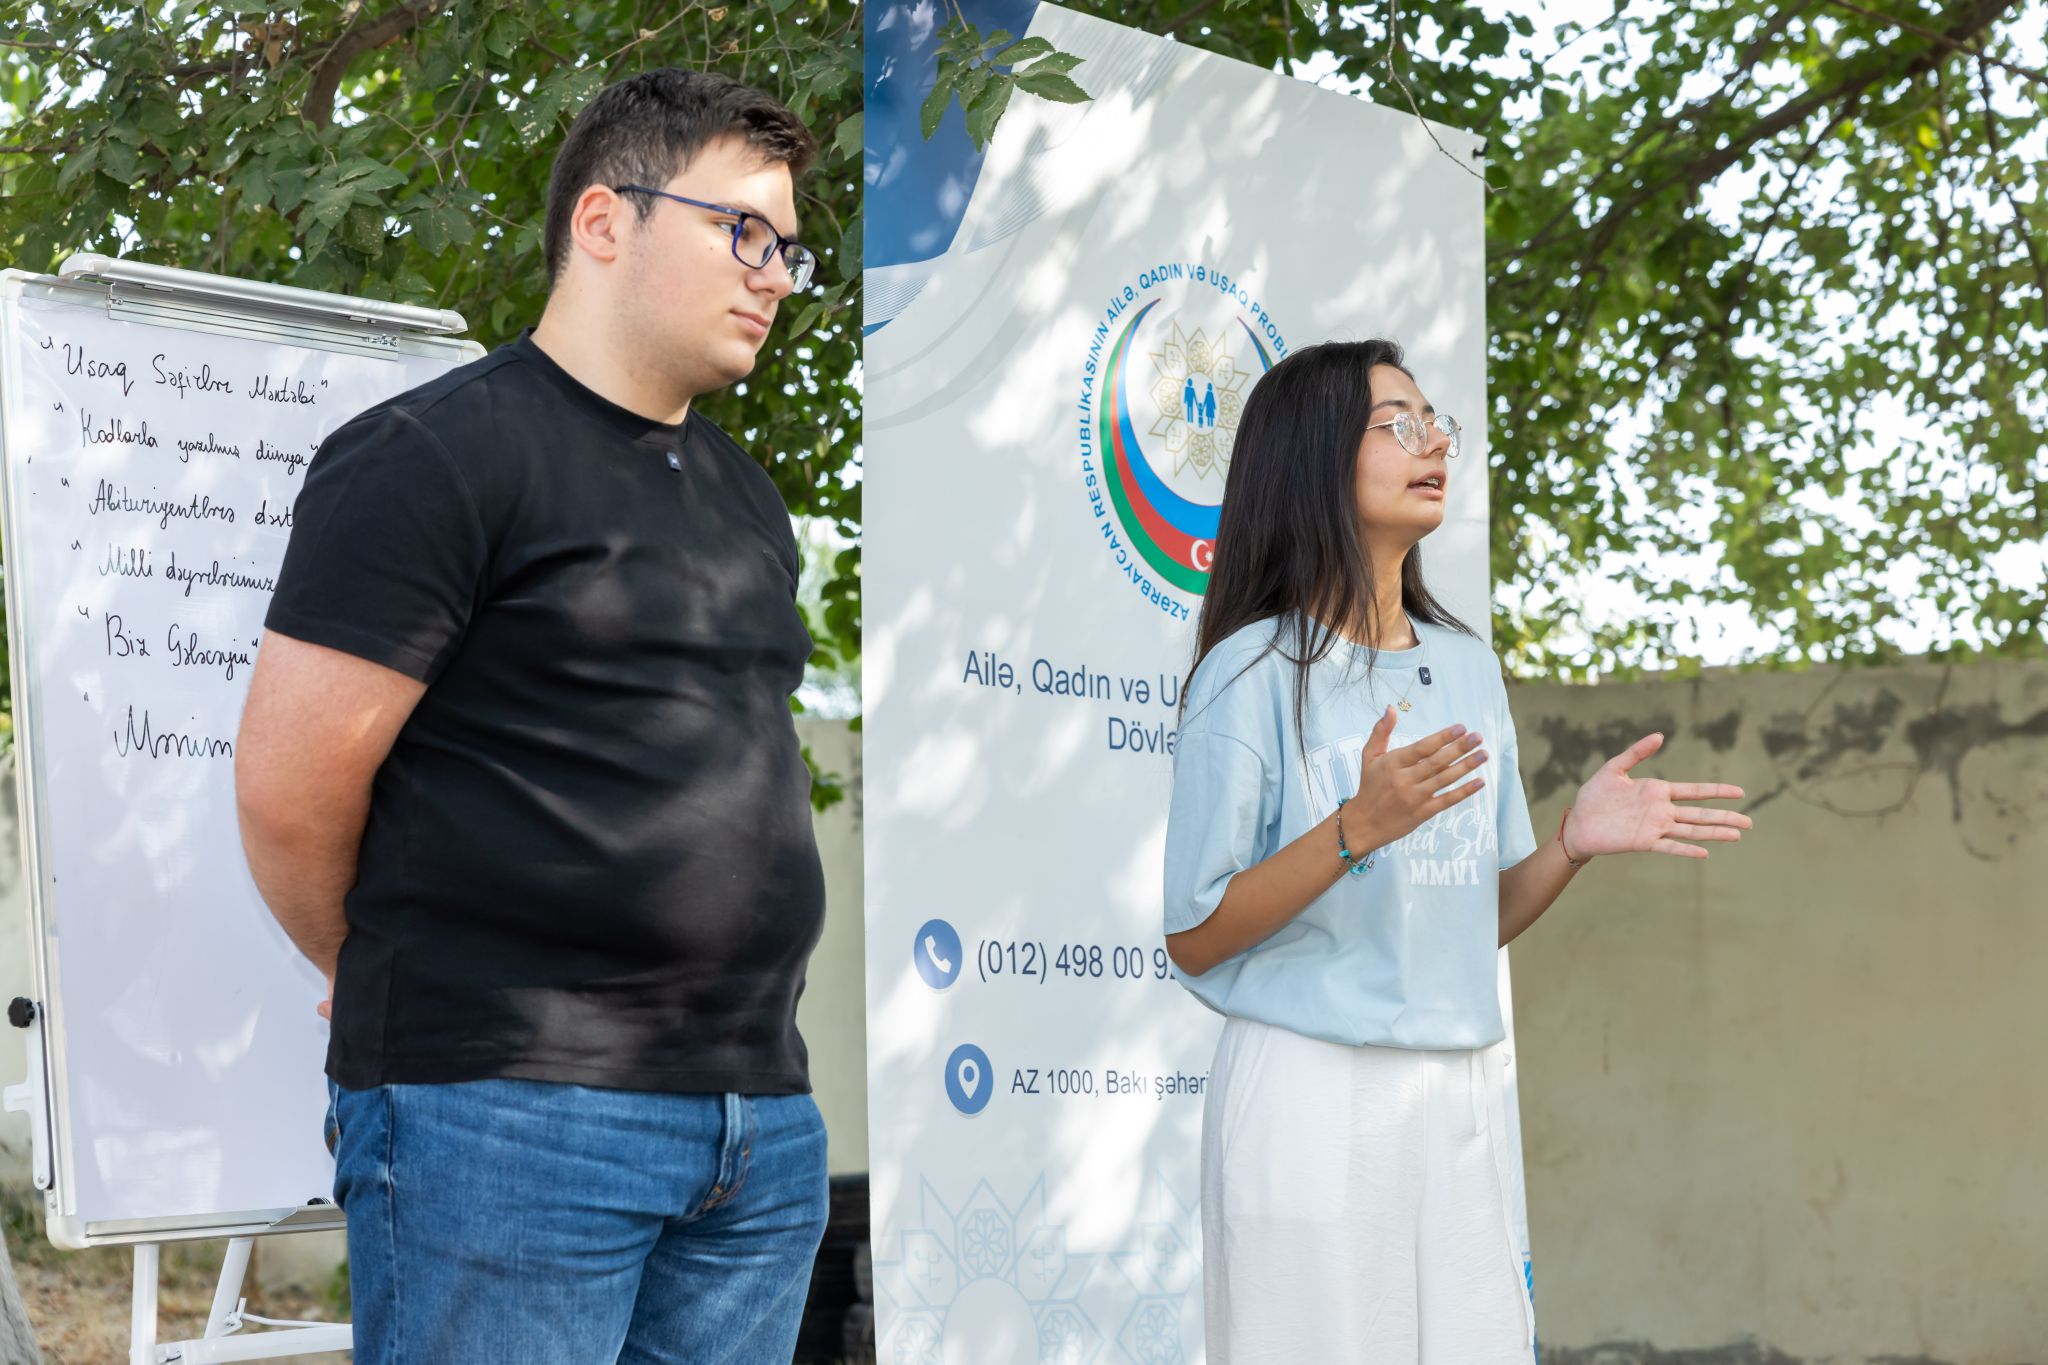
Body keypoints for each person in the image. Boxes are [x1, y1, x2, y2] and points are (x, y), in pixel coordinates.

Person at [235, 69, 830, 1364]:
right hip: (509, 1111)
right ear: (605, 221)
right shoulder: (431, 456)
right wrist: (379, 968)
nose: (776, 276)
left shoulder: (747, 499)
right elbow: (289, 794)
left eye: (788, 248)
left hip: (755, 1120)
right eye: (744, 232)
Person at [1162, 339, 1754, 1363]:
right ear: (1310, 455)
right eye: (1398, 423)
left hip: (1458, 1095)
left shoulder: (1468, 668)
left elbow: (1471, 918)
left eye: (1435, 422)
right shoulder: (1248, 671)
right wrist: (1352, 830)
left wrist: (1570, 842)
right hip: (1311, 1094)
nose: (1432, 441)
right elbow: (1195, 934)